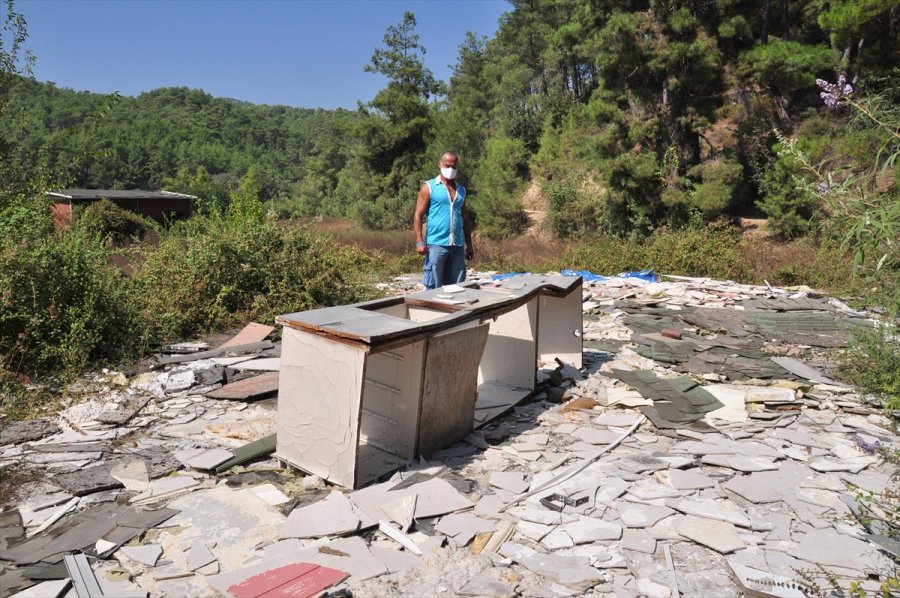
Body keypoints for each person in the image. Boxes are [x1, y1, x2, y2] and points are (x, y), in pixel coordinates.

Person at [413, 151, 474, 289]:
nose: (450, 170)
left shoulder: (461, 190)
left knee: (457, 287)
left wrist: (469, 245)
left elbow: (465, 218)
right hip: (436, 244)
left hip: (457, 245)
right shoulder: (429, 187)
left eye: (454, 166)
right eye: (447, 166)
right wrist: (419, 241)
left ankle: (454, 311)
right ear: (440, 164)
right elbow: (418, 215)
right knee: (434, 286)